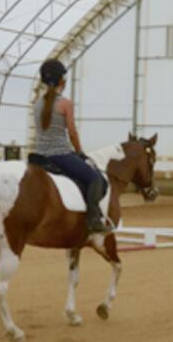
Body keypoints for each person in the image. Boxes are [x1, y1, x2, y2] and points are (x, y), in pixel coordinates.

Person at [33, 59, 109, 234]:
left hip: (39, 156)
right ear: (62, 81)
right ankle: (93, 219)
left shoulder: (37, 104)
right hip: (60, 155)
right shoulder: (65, 103)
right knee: (95, 178)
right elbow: (72, 132)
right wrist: (79, 151)